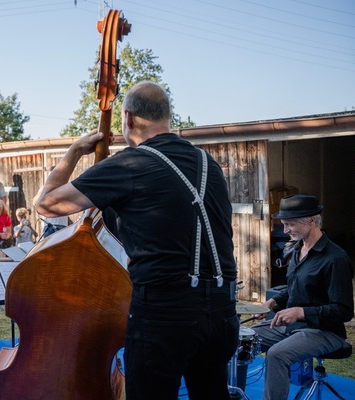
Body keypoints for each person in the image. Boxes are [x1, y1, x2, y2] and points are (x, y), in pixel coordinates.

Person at [34, 81, 238, 400]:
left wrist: (74, 151)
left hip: (164, 314)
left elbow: (46, 204)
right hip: (223, 312)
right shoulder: (207, 163)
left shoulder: (130, 163)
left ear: (128, 118)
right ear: (168, 117)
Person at [250, 194, 354, 400]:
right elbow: (295, 287)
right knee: (242, 337)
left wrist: (300, 312)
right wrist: (274, 302)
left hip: (325, 331)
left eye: (290, 224)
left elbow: (343, 310)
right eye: (284, 224)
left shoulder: (336, 259)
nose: (285, 230)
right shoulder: (297, 249)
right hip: (294, 329)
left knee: (277, 354)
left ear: (312, 221)